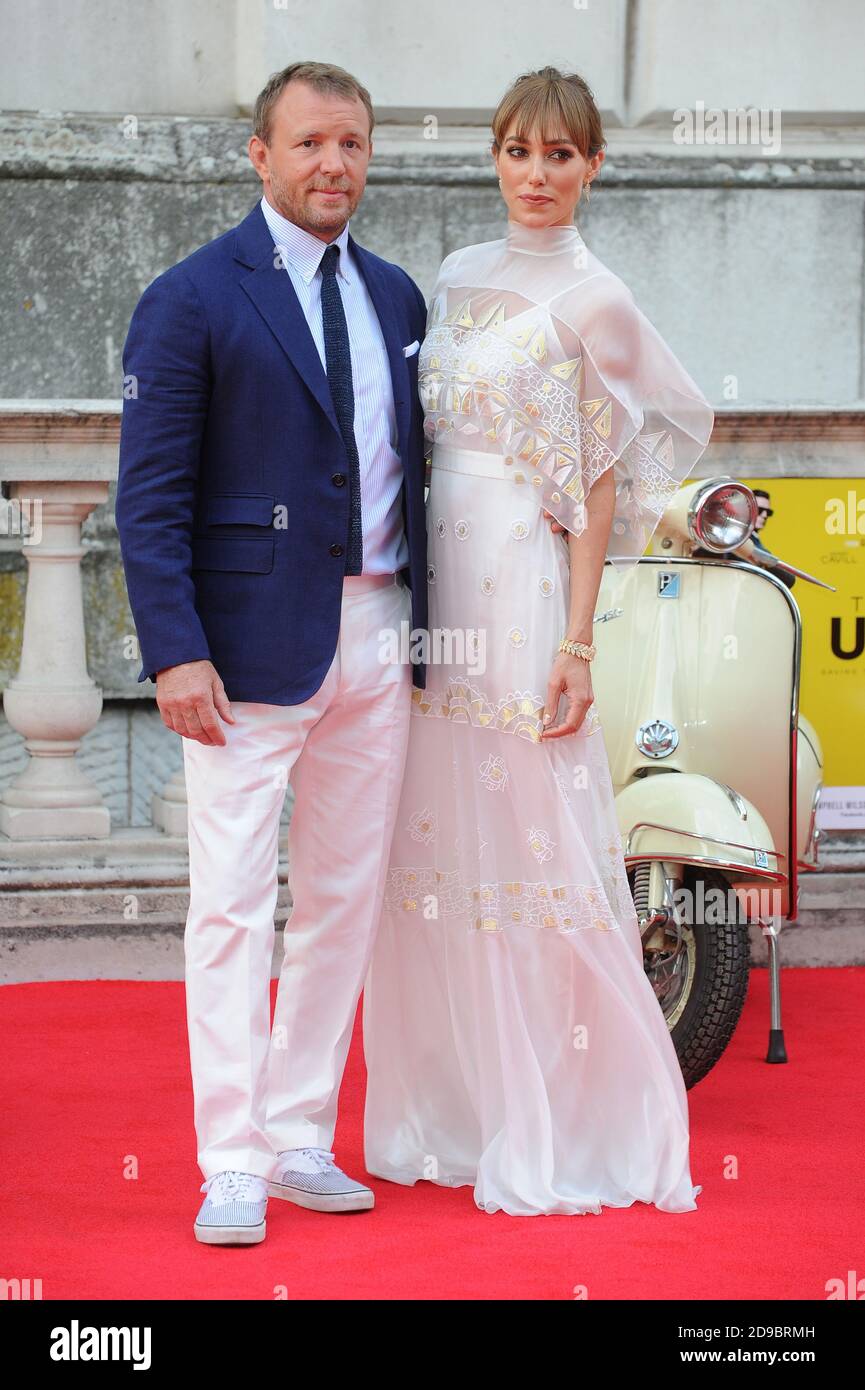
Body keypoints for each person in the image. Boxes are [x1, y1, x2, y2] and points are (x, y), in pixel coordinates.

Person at [362, 66, 715, 1216]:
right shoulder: (455, 274)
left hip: (519, 582)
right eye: (519, 152)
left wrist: (575, 646)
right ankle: (452, 1109)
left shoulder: (599, 298)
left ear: (594, 165)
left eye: (561, 155)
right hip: (434, 588)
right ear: (495, 158)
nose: (537, 176)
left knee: (532, 849)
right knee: (434, 845)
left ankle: (556, 1113)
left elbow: (600, 490)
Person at [115, 61, 431, 1244]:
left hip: (378, 628)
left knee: (343, 900)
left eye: (350, 144)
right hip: (241, 653)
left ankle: (302, 1134)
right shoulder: (192, 297)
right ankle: (230, 1156)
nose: (331, 165)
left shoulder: (397, 297)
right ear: (260, 153)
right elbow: (148, 497)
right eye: (308, 144)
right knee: (235, 906)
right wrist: (174, 651)